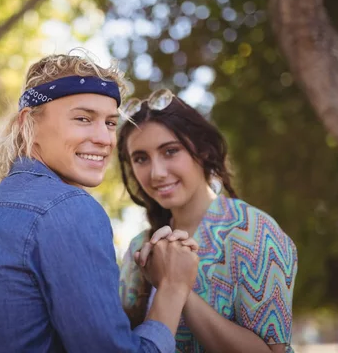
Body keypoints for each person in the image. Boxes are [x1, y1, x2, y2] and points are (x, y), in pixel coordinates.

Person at [0, 52, 200, 353]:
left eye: (110, 123)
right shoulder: (70, 209)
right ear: (27, 123)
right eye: (83, 118)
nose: (104, 138)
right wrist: (173, 289)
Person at [117, 89, 298, 353]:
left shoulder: (252, 230)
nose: (156, 173)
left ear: (202, 150)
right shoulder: (140, 246)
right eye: (141, 158)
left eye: (170, 151)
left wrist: (175, 287)